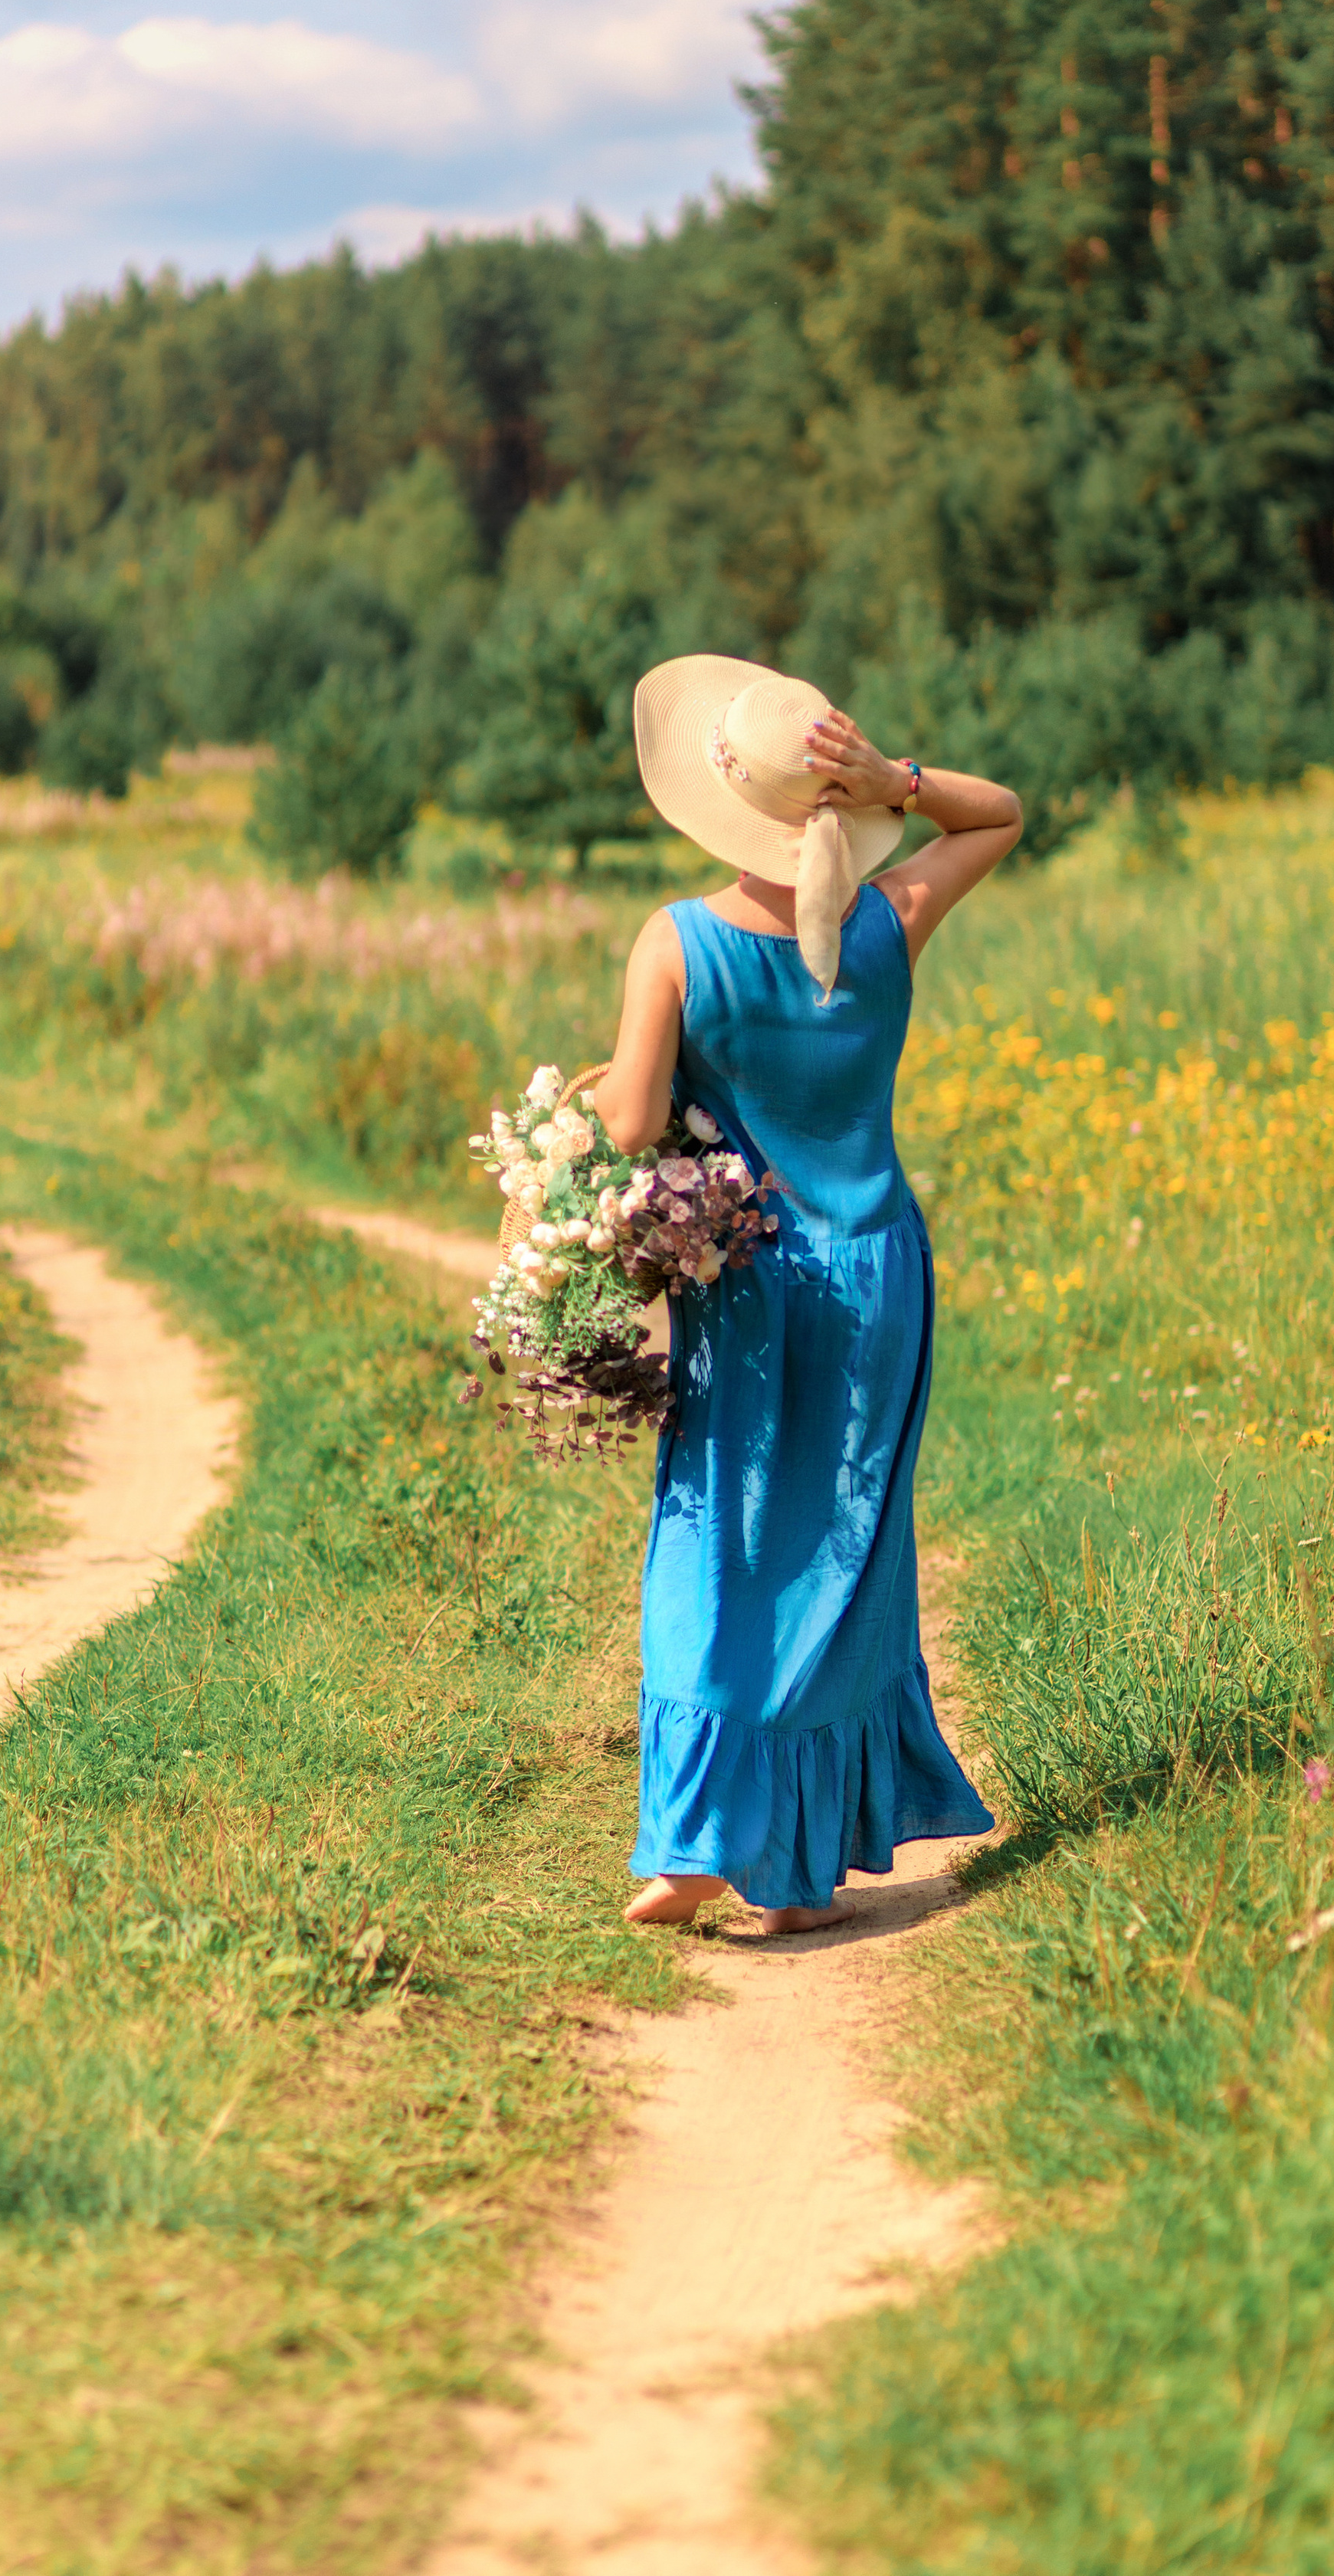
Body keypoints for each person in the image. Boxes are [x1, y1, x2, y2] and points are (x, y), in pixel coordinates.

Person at [591, 656, 1022, 1932]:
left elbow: (627, 1126)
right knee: (843, 1552)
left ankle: (690, 1839)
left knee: (715, 1536)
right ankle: (794, 1875)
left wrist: (592, 1107)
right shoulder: (888, 920)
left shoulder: (677, 942)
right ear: (837, 800)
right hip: (880, 1268)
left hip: (749, 1281)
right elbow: (997, 815)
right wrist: (901, 779)